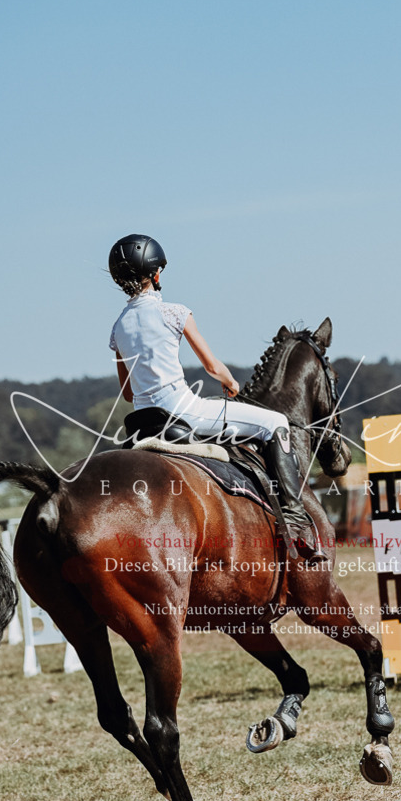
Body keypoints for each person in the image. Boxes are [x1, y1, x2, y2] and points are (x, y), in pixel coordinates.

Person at [108, 233, 325, 562]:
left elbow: (127, 392)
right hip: (184, 411)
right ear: (155, 273)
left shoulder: (118, 327)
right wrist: (231, 382)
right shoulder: (175, 313)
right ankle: (295, 520)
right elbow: (212, 367)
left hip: (142, 422)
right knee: (277, 423)